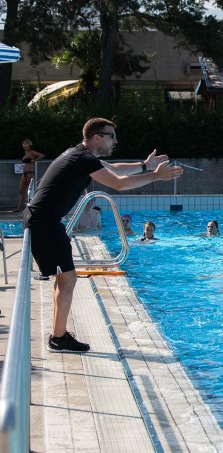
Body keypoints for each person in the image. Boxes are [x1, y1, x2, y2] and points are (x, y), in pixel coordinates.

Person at [25, 117, 183, 352]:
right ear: (97, 137)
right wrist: (155, 176)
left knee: (65, 278)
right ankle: (58, 338)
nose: (115, 141)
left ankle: (58, 336)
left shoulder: (81, 155)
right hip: (44, 222)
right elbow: (118, 184)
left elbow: (115, 169)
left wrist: (145, 165)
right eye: (112, 136)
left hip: (45, 221)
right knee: (67, 278)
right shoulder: (82, 158)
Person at [15, 138, 44, 211]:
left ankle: (30, 207)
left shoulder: (32, 152)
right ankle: (19, 207)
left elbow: (41, 155)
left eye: (26, 144)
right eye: (23, 144)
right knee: (21, 190)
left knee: (30, 191)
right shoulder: (25, 153)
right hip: (24, 173)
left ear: (29, 144)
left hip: (30, 173)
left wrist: (34, 160)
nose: (24, 145)